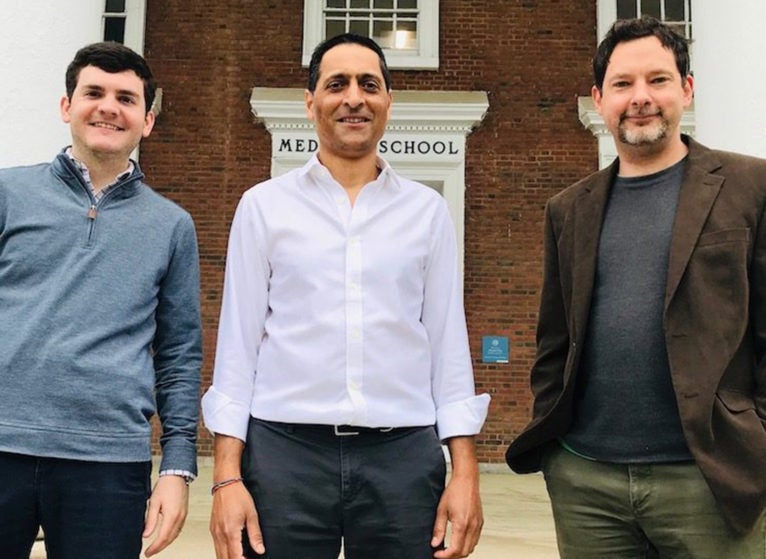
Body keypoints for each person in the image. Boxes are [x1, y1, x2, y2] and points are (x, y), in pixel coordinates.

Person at [202, 33, 490, 559]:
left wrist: (465, 472)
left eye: (369, 85)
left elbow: (449, 344)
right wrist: (225, 478)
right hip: (284, 454)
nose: (354, 98)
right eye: (337, 84)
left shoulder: (427, 212)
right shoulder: (263, 207)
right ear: (310, 103)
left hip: (402, 454)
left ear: (387, 103)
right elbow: (237, 350)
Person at [505, 15, 766, 559]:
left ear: (686, 89)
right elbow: (554, 340)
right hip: (587, 482)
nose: (640, 98)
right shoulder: (568, 209)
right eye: (623, 84)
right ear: (600, 98)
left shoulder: (751, 186)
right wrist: (557, 454)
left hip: (709, 479)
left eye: (658, 80)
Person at [0, 42, 202, 558]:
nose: (109, 107)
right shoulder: (8, 194)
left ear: (147, 120)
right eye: (94, 92)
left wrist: (177, 467)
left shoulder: (172, 226)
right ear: (67, 106)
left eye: (126, 98)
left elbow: (179, 355)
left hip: (108, 464)